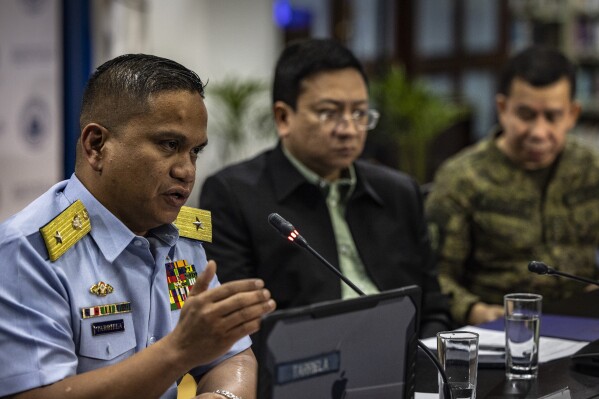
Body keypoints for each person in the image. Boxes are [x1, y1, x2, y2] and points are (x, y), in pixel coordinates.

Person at [0, 54, 276, 399]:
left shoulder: (181, 237)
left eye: (195, 152)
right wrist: (178, 351)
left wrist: (221, 396)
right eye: (169, 145)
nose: (186, 171)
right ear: (96, 146)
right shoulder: (28, 249)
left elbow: (233, 357)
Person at [199, 38, 452, 338]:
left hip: (408, 365)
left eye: (359, 113)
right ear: (283, 118)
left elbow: (434, 309)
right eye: (329, 113)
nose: (347, 129)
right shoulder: (233, 194)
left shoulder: (399, 192)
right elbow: (239, 327)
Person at [425, 45, 599, 326]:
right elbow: (433, 276)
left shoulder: (590, 168)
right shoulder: (463, 178)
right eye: (526, 115)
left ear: (572, 114)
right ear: (503, 109)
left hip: (581, 323)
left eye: (552, 117)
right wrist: (473, 310)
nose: (539, 132)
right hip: (500, 330)